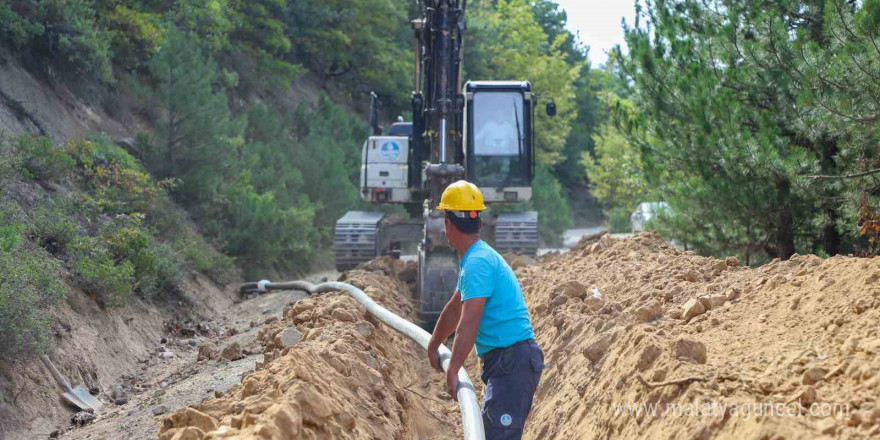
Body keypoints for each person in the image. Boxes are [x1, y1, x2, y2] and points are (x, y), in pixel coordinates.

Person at [427, 180, 545, 440]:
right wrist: (434, 343)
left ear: (448, 225)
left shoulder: (478, 262)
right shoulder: (477, 258)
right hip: (508, 362)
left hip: (512, 363)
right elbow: (455, 308)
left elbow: (468, 323)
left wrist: (453, 368)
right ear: (479, 222)